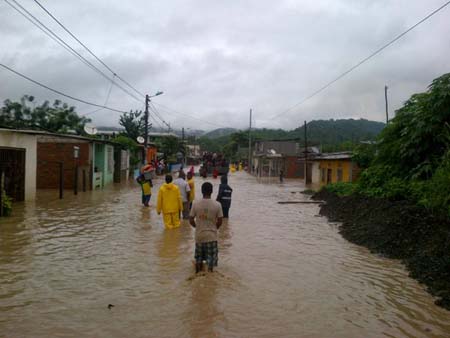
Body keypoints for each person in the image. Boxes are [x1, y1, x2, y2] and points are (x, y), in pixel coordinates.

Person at [189, 182, 223, 273]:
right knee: (210, 264)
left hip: (199, 236)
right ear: (211, 191)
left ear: (201, 191)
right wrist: (214, 228)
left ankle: (197, 275)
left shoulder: (195, 204)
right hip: (212, 237)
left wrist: (197, 227)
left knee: (198, 260)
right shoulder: (217, 205)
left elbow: (191, 220)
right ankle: (209, 280)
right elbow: (220, 221)